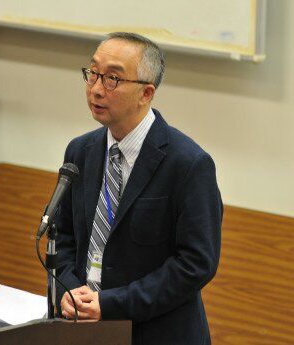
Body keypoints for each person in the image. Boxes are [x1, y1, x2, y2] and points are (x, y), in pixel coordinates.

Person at [55, 32, 223, 345]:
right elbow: (62, 237)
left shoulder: (188, 164)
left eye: (112, 79)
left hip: (155, 332)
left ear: (146, 93)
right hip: (82, 329)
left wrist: (111, 304)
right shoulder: (80, 152)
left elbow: (196, 264)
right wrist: (66, 288)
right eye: (93, 73)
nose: (95, 89)